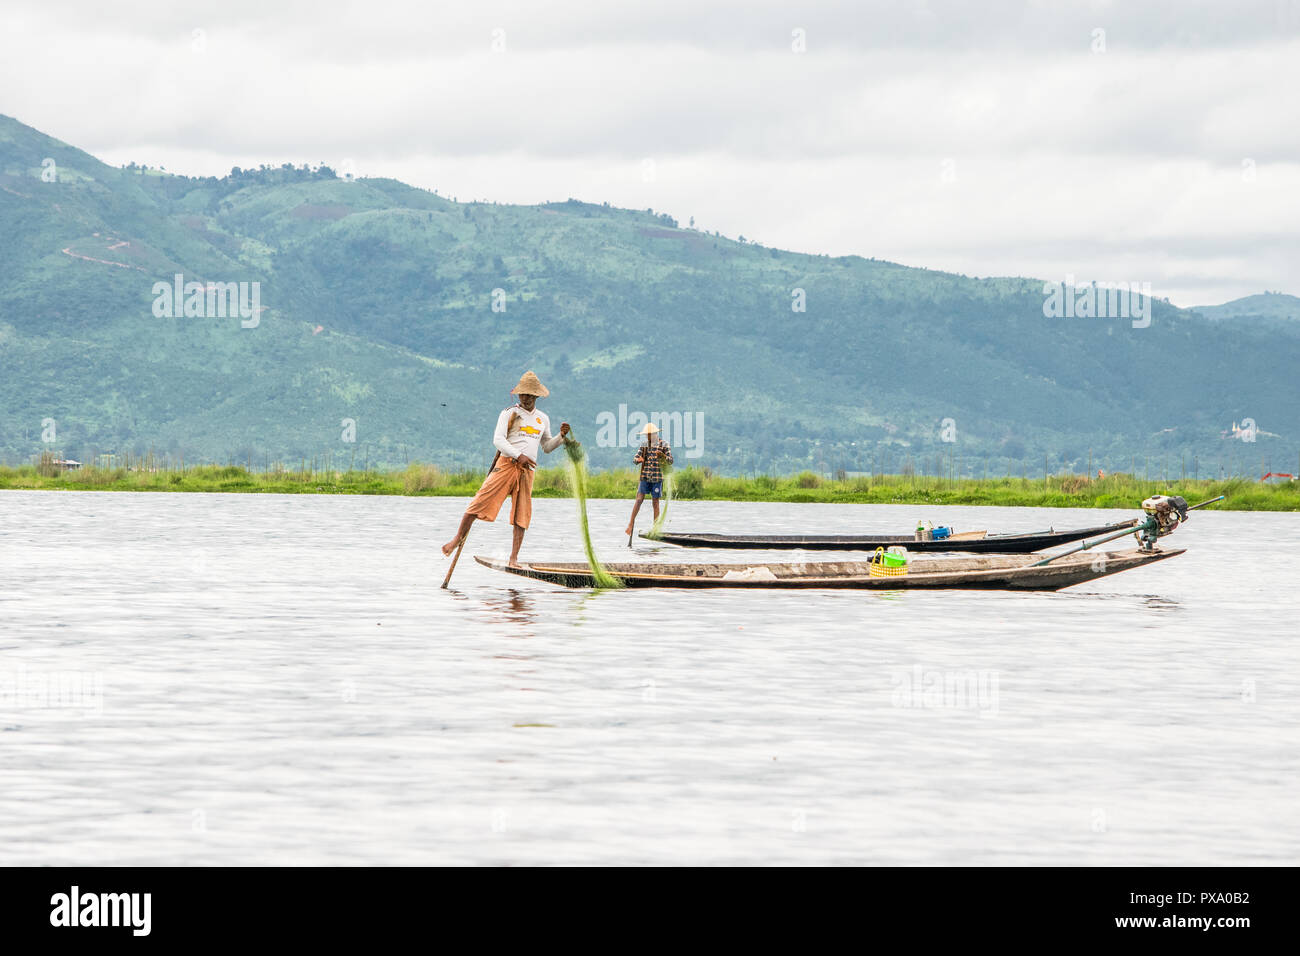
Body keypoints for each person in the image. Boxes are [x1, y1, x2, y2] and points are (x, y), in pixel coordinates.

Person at [442, 370, 569, 567]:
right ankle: (457, 538)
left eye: (529, 395)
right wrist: (519, 456)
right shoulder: (510, 413)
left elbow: (546, 447)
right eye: (523, 394)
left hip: (527, 471)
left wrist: (561, 437)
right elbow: (498, 440)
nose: (525, 398)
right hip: (507, 465)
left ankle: (513, 558)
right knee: (478, 503)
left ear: (536, 396)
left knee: (522, 515)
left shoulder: (542, 419)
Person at [624, 422, 673, 536]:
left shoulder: (664, 445)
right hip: (645, 477)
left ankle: (655, 528)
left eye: (650, 434)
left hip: (657, 478)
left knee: (655, 502)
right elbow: (635, 458)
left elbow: (670, 460)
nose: (648, 436)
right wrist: (638, 460)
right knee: (639, 500)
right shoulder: (644, 445)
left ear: (655, 434)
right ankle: (630, 524)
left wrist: (662, 455)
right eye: (647, 435)